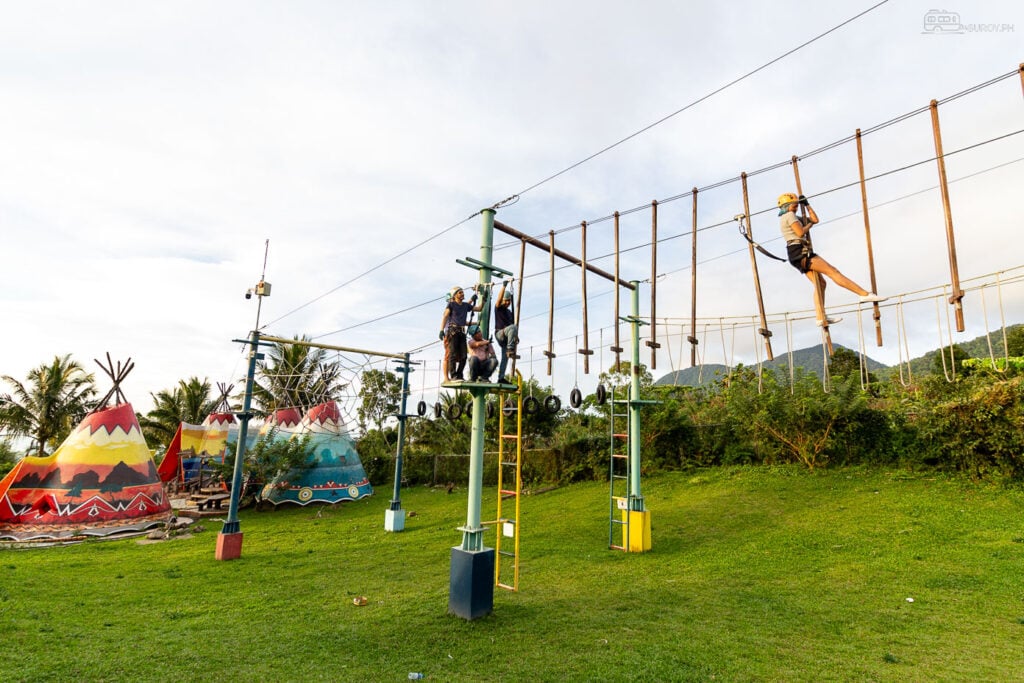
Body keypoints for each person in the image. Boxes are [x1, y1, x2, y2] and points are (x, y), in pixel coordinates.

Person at [778, 192, 885, 326]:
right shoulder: (789, 216)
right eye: (795, 205)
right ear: (787, 205)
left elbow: (815, 219)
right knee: (832, 271)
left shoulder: (789, 216)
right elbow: (800, 232)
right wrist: (809, 225)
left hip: (795, 254)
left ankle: (820, 316)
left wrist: (807, 205)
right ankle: (863, 294)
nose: (796, 207)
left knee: (820, 284)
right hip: (800, 251)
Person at [439, 286, 482, 381]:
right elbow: (445, 316)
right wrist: (441, 330)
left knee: (464, 356)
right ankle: (452, 375)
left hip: (461, 332)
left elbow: (478, 308)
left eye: (462, 292)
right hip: (452, 332)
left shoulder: (465, 306)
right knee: (451, 355)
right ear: (454, 296)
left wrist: (484, 299)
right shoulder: (451, 305)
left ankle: (459, 375)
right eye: (460, 292)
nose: (462, 294)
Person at [493, 280, 518, 383]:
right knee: (513, 327)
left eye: (509, 301)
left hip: (507, 337)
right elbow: (498, 300)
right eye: (506, 300)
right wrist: (504, 286)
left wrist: (515, 337)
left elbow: (512, 328)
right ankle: (510, 348)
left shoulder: (509, 313)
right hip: (500, 333)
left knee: (505, 358)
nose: (508, 302)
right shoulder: (499, 308)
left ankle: (501, 378)